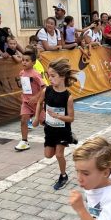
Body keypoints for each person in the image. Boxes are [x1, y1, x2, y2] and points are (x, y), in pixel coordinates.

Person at [33, 59, 76, 191]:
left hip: (62, 130)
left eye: (52, 76)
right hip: (49, 129)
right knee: (48, 155)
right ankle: (71, 137)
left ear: (62, 76)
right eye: (48, 76)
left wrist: (58, 116)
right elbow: (40, 102)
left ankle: (63, 176)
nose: (49, 79)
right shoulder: (47, 90)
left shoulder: (68, 97)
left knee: (59, 155)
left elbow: (71, 118)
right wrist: (36, 118)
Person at [15, 50, 46, 151]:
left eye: (27, 60)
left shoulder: (36, 74)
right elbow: (24, 86)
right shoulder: (21, 73)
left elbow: (43, 88)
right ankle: (24, 141)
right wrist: (19, 84)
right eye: (23, 60)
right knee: (24, 120)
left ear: (33, 62)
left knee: (44, 122)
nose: (24, 62)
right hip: (26, 103)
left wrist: (36, 97)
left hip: (38, 104)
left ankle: (56, 136)